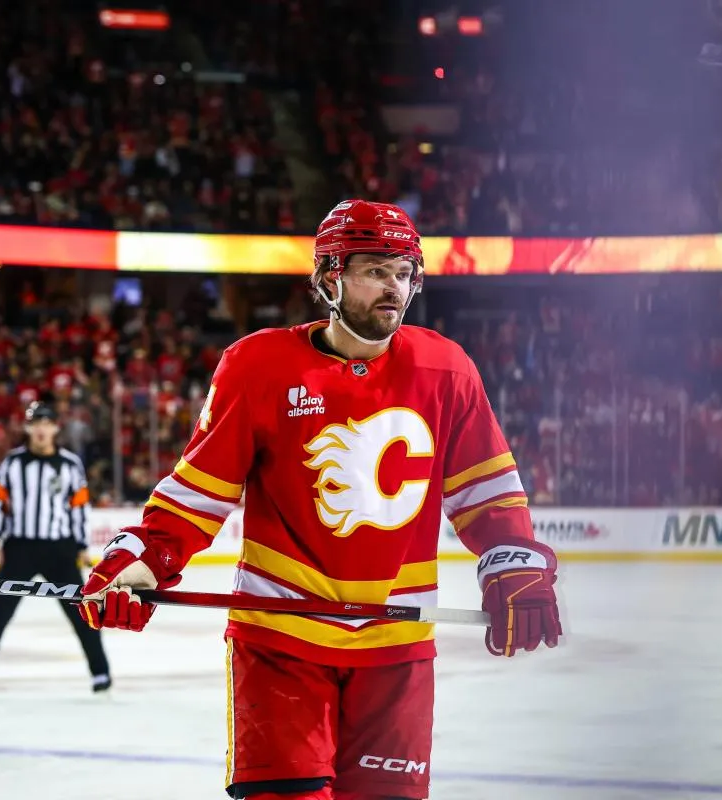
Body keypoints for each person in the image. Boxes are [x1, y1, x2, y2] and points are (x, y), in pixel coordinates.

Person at [78, 200, 562, 799]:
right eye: (375, 271)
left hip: (397, 650)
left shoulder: (447, 369)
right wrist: (141, 559)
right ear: (330, 277)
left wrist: (513, 556)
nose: (395, 288)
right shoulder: (258, 366)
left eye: (404, 272)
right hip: (280, 643)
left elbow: (485, 491)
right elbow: (196, 495)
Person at [0, 401, 111, 693]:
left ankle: (101, 673)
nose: (41, 430)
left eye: (47, 424)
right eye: (36, 424)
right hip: (20, 548)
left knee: (82, 613)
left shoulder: (70, 464)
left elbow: (79, 508)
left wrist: (82, 545)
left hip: (60, 550)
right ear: (28, 428)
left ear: (56, 427)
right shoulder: (12, 463)